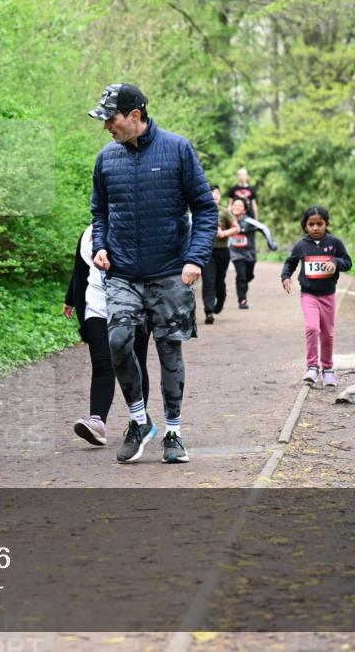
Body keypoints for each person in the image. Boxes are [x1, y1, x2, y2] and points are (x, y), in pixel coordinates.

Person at [88, 82, 218, 464]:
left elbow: (205, 209)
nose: (106, 127)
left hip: (170, 272)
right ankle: (139, 421)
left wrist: (195, 258)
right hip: (123, 273)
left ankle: (173, 432)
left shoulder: (177, 149)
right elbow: (100, 213)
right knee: (118, 341)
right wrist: (100, 246)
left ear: (135, 115)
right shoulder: (106, 159)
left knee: (168, 349)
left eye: (110, 119)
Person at [63, 225, 151, 446]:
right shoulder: (88, 233)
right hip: (97, 305)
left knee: (135, 361)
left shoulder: (138, 226)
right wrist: (70, 298)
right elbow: (81, 269)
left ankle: (139, 421)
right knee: (102, 362)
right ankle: (97, 422)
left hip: (134, 305)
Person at [281, 206, 352, 387]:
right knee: (312, 328)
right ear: (305, 226)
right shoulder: (301, 245)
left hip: (328, 295)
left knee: (327, 333)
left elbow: (347, 262)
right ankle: (312, 367)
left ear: (326, 224)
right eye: (311, 224)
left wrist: (335, 262)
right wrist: (286, 277)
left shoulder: (334, 243)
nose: (315, 228)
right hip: (309, 294)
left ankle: (328, 369)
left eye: (319, 224)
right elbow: (290, 263)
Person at [228, 198, 278, 310]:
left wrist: (271, 243)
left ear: (244, 210)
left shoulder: (249, 221)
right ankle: (242, 300)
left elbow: (264, 228)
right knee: (241, 276)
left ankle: (243, 283)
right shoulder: (228, 220)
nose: (236, 207)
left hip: (250, 254)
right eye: (235, 204)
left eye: (239, 205)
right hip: (235, 254)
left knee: (248, 276)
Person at [200, 184, 240, 324]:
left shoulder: (224, 212)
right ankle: (209, 311)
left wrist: (223, 233)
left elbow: (236, 228)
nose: (215, 195)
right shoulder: (202, 211)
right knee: (208, 281)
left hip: (222, 251)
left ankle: (221, 300)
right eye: (212, 193)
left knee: (219, 281)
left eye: (217, 193)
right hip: (207, 252)